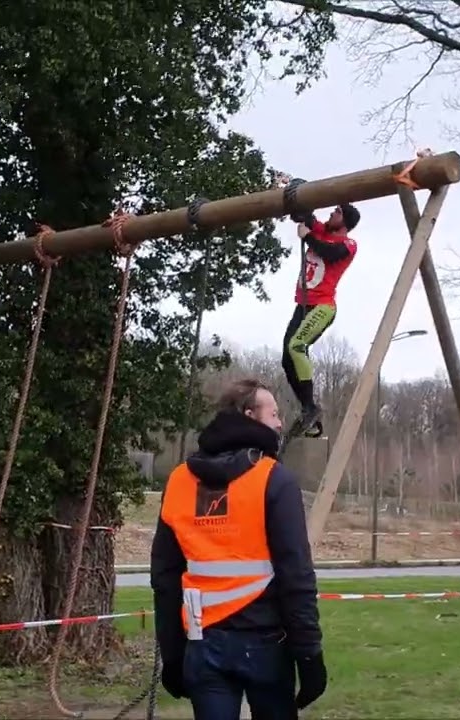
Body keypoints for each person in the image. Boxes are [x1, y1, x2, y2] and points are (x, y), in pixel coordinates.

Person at [150, 378, 328, 719]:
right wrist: (309, 655)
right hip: (266, 644)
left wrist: (172, 653)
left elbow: (165, 578)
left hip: (203, 644)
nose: (279, 422)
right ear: (250, 416)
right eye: (273, 413)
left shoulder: (178, 482)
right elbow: (297, 577)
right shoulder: (274, 479)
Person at [281, 203, 360, 438]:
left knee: (297, 346)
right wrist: (295, 195)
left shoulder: (348, 244)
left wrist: (307, 237)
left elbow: (329, 253)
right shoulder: (320, 231)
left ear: (345, 222)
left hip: (323, 306)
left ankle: (311, 409)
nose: (331, 214)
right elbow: (304, 215)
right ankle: (310, 411)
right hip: (303, 306)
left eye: (337, 213)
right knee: (287, 360)